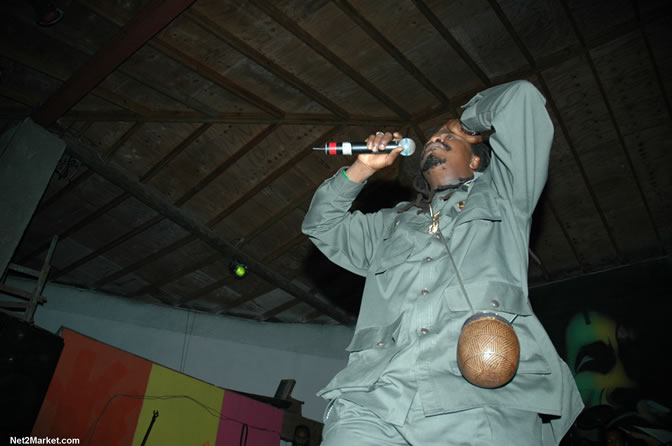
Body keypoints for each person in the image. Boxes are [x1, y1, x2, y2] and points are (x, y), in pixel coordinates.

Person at [302, 80, 584, 445]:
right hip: (374, 397)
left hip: (478, 399)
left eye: (449, 138)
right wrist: (361, 169)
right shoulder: (391, 224)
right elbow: (321, 225)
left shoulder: (505, 197)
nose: (436, 138)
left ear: (476, 159)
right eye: (434, 138)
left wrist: (465, 123)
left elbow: (521, 98)